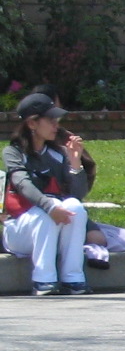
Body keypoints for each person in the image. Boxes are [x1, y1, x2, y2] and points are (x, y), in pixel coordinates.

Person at [3, 91, 92, 295]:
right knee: (44, 214)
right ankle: (43, 280)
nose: (56, 126)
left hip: (51, 226)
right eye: (50, 120)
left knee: (75, 208)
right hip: (19, 231)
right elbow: (22, 183)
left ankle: (73, 277)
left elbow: (77, 195)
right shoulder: (13, 152)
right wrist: (49, 205)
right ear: (32, 124)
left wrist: (75, 163)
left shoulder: (57, 153)